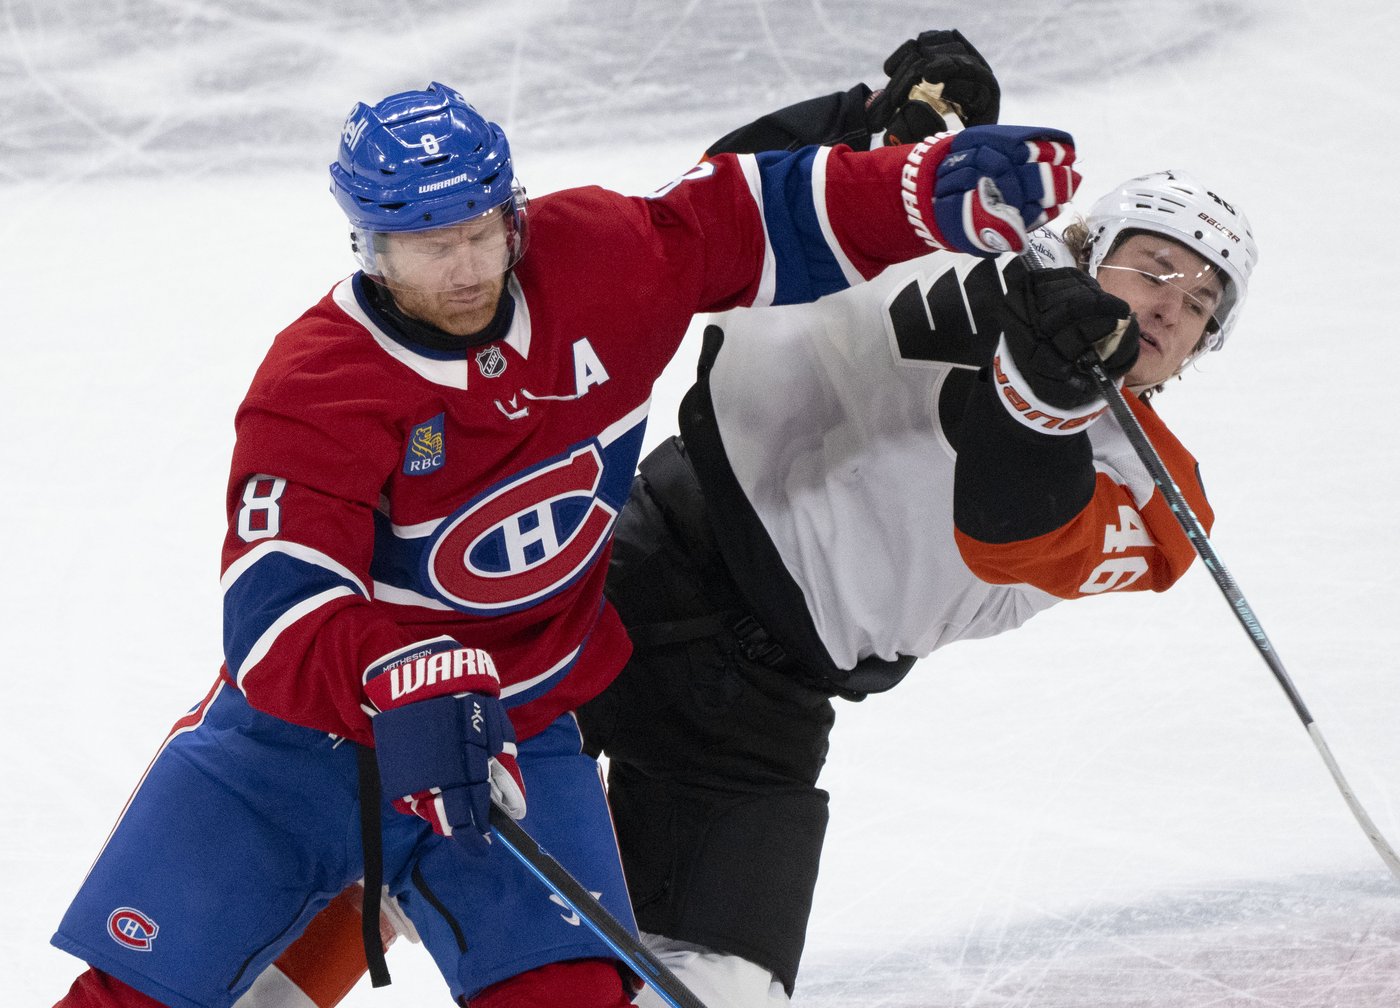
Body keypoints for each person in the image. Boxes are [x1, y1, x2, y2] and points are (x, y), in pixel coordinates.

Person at [218, 29, 1256, 1008]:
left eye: (1203, 301)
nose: (1171, 303)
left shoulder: (1161, 497)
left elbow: (1013, 529)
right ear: (1082, 242)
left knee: (717, 990)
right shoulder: (943, 241)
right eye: (1154, 264)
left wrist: (1043, 402)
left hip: (761, 710)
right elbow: (706, 221)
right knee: (395, 839)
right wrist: (865, 122)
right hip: (620, 577)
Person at [47, 74, 1080, 1008]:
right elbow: (276, 613)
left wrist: (915, 192)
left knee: (570, 997)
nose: (465, 269)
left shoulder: (595, 262)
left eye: (481, 232)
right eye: (428, 246)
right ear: (369, 244)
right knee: (134, 999)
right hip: (299, 750)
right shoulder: (317, 383)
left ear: (513, 212)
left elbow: (740, 219)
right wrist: (406, 675)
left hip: (518, 725)